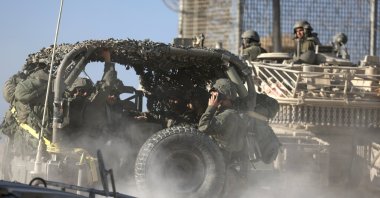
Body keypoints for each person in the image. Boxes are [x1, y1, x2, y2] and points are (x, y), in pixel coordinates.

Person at [198, 78, 245, 157]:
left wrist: (211, 107)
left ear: (225, 97)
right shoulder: (228, 112)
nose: (213, 99)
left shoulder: (227, 115)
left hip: (220, 158)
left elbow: (203, 127)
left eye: (216, 96)